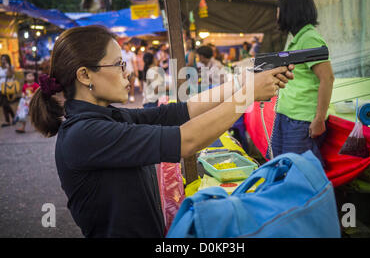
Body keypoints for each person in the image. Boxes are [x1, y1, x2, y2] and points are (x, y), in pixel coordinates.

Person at [29, 25, 294, 238]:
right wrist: (247, 95)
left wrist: (243, 82)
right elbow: (186, 140)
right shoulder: (84, 135)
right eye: (119, 65)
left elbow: (181, 112)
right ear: (85, 75)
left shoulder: (109, 116)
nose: (129, 73)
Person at [270, 0, 335, 166]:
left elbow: (327, 78)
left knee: (298, 170)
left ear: (290, 10)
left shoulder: (309, 39)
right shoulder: (298, 39)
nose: (277, 13)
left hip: (301, 120)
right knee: (280, 165)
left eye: (279, 8)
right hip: (286, 115)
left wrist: (319, 118)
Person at [0, 54, 16, 127]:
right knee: (4, 104)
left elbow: (10, 75)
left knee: (5, 104)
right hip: (1, 88)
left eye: (4, 59)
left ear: (7, 60)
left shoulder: (11, 67)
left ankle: (12, 117)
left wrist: (8, 67)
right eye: (2, 59)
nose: (3, 61)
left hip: (9, 88)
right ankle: (9, 120)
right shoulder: (0, 68)